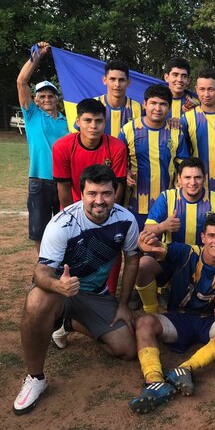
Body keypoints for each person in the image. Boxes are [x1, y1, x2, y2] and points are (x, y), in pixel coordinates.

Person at [13, 165, 139, 415]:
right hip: (60, 291)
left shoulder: (126, 220)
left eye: (106, 193)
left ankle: (66, 324)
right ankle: (36, 378)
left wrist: (124, 304)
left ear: (116, 192)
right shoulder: (62, 224)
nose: (99, 201)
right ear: (81, 193)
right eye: (92, 194)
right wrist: (58, 285)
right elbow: (41, 273)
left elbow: (133, 259)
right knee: (37, 301)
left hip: (96, 294)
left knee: (126, 348)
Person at [129, 213, 215, 413]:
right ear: (203, 237)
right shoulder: (187, 252)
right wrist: (147, 243)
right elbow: (158, 249)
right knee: (144, 322)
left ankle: (186, 368)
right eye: (212, 235)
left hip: (210, 323)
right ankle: (155, 381)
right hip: (179, 319)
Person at [136, 157, 215, 314]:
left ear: (204, 178)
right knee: (143, 265)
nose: (192, 182)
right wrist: (164, 226)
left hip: (203, 262)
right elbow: (147, 229)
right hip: (170, 258)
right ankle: (152, 312)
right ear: (179, 179)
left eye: (197, 177)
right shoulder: (167, 197)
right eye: (187, 177)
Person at [16, 41, 69, 253]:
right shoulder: (32, 115)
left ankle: (62, 266)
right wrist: (36, 56)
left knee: (65, 228)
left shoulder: (68, 121)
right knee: (40, 230)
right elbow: (21, 81)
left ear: (57, 98)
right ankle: (43, 269)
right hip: (39, 180)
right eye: (42, 96)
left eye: (51, 95)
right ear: (36, 100)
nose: (47, 99)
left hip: (64, 180)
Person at [119, 84, 190, 230]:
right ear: (145, 104)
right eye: (153, 103)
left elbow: (185, 166)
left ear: (169, 107)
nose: (158, 108)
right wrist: (125, 172)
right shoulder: (128, 130)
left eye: (163, 104)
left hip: (167, 203)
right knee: (136, 248)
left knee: (165, 249)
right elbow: (117, 161)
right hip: (135, 203)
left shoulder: (176, 132)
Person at [53, 98, 128, 207]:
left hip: (104, 207)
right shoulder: (61, 147)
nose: (93, 126)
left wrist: (108, 213)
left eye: (98, 121)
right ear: (78, 122)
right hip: (74, 207)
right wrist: (71, 217)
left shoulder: (117, 147)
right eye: (88, 120)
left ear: (105, 122)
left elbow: (118, 186)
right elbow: (63, 187)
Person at [180, 69, 215, 193]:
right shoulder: (187, 118)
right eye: (202, 89)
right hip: (197, 184)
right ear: (196, 89)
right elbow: (182, 153)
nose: (206, 94)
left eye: (210, 89)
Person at [92, 60, 142, 137]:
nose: (117, 84)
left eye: (121, 80)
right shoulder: (92, 105)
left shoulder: (139, 109)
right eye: (112, 79)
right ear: (105, 80)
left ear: (128, 82)